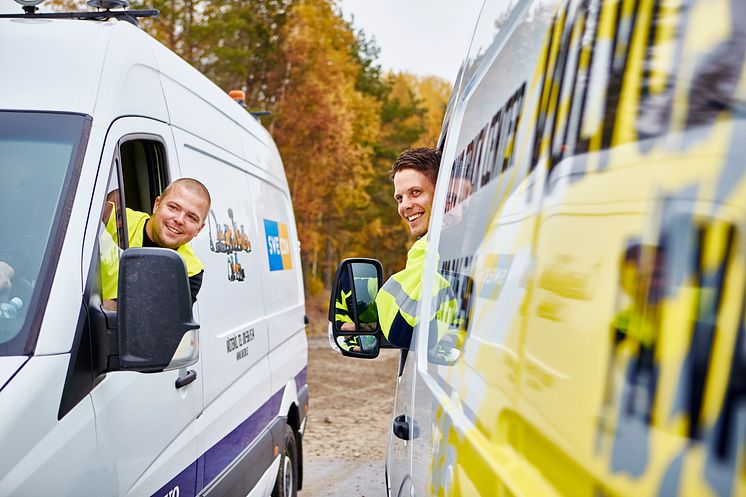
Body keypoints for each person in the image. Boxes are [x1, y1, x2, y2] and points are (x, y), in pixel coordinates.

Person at [100, 178, 211, 309]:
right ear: (157, 205)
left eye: (191, 217)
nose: (179, 220)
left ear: (199, 229)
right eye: (173, 207)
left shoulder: (190, 272)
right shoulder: (112, 219)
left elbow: (150, 316)